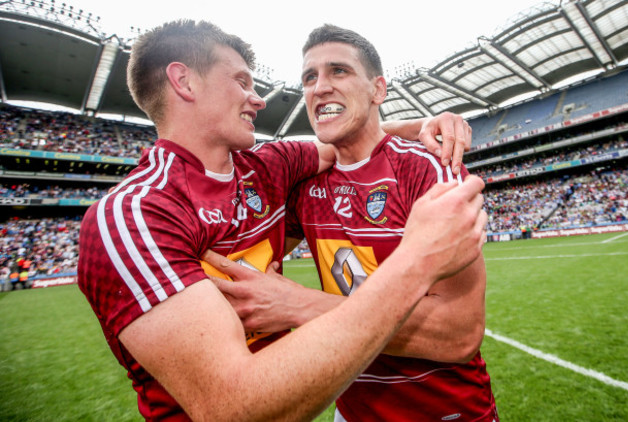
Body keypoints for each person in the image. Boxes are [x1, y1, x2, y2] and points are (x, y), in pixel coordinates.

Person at [77, 19, 486, 421]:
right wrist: (416, 259)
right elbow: (232, 406)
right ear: (184, 82)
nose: (259, 99)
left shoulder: (273, 168)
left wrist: (421, 126)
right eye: (241, 81)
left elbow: (353, 143)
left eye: (337, 70)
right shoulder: (134, 214)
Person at [214, 25, 498, 421]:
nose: (320, 87)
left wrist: (300, 305)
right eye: (310, 78)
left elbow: (459, 334)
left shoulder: (427, 169)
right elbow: (249, 265)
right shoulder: (306, 187)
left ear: (378, 90)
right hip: (350, 410)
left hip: (443, 411)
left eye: (339, 71)